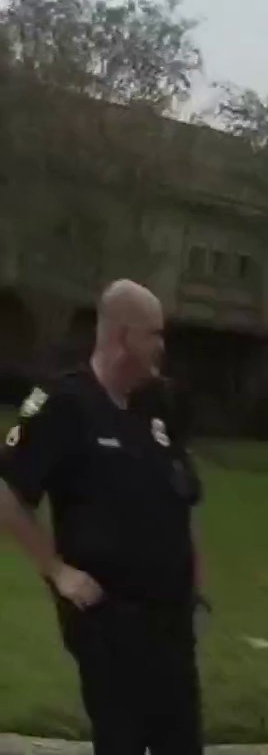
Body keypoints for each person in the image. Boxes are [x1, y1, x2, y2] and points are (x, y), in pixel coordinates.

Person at [0, 280, 207, 755]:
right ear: (121, 337)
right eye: (154, 334)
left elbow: (183, 496)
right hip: (111, 626)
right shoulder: (61, 403)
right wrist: (57, 571)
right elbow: (6, 490)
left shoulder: (158, 405)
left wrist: (197, 587)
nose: (162, 346)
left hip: (172, 627)